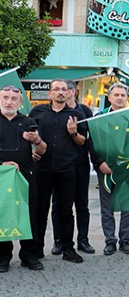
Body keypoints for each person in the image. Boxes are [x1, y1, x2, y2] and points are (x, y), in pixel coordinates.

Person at [29, 79, 87, 264]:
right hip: (42, 168)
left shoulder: (76, 114)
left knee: (65, 211)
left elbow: (82, 142)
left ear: (69, 93)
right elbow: (26, 136)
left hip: (66, 168)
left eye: (64, 89)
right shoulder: (37, 112)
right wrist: (31, 151)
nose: (61, 92)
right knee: (40, 210)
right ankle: (36, 249)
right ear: (50, 93)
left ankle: (68, 249)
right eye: (57, 89)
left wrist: (73, 132)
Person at [0, 85, 47, 272]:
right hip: (1, 178)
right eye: (5, 97)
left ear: (20, 102)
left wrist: (36, 141)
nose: (9, 101)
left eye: (13, 98)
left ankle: (29, 255)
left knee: (30, 216)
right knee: (2, 216)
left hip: (26, 177)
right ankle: (3, 257)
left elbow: (42, 150)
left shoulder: (29, 122)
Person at [89, 83, 129, 256]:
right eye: (116, 95)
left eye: (123, 95)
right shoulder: (99, 118)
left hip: (127, 170)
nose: (120, 98)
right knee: (106, 207)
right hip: (106, 169)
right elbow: (92, 142)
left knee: (127, 208)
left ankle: (125, 241)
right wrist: (99, 163)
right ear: (109, 98)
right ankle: (110, 241)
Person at [50, 80, 95, 256]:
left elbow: (90, 138)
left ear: (74, 92)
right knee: (58, 204)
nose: (65, 93)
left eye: (68, 89)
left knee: (82, 204)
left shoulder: (84, 111)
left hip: (80, 163)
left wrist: (96, 160)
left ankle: (83, 239)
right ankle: (58, 240)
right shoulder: (52, 111)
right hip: (59, 165)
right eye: (61, 89)